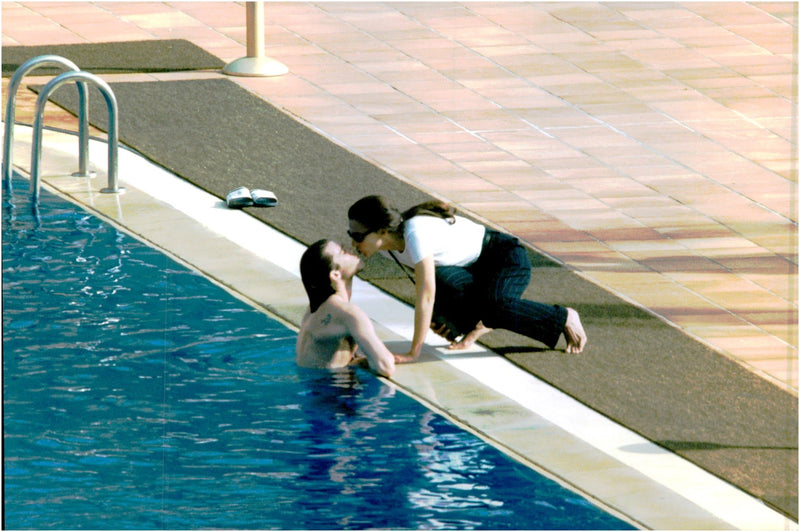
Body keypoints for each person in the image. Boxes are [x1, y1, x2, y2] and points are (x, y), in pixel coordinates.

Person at [347, 195, 587, 362]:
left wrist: (414, 352)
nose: (353, 243)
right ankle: (480, 322)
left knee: (496, 308)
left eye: (357, 236)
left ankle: (563, 316)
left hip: (504, 258)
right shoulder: (392, 245)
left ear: (381, 231)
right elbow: (434, 286)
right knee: (446, 322)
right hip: (473, 270)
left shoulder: (414, 233)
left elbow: (426, 295)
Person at [296, 239, 396, 377]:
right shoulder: (347, 313)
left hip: (314, 387)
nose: (350, 250)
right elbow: (385, 367)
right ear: (335, 274)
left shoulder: (314, 310)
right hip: (334, 392)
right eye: (343, 252)